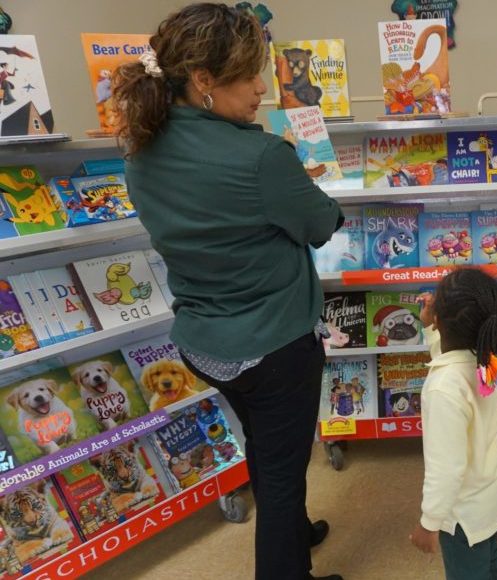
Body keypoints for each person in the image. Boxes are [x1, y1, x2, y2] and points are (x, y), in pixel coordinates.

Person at [111, 4, 343, 579]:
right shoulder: (262, 156)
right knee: (284, 474)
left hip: (205, 342)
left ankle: (294, 536)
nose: (263, 87)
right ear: (204, 81)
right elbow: (319, 224)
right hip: (274, 345)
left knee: (265, 449)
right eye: (248, 75)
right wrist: (313, 198)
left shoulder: (141, 149)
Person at [409, 269, 497, 580]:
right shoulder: (487, 353)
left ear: (442, 319)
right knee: (492, 563)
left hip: (465, 516)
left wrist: (429, 522)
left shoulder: (443, 388)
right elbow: (451, 353)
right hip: (494, 491)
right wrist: (433, 328)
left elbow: (447, 467)